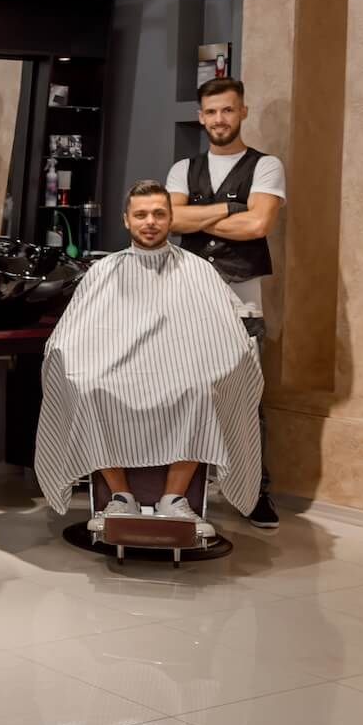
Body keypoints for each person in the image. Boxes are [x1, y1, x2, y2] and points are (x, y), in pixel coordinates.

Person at [35, 180, 263, 530]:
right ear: (127, 220)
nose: (150, 222)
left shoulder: (198, 270)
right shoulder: (104, 270)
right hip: (114, 371)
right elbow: (71, 334)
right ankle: (120, 497)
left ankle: (175, 498)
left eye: (159, 214)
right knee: (88, 387)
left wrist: (221, 360)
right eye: (141, 215)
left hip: (182, 370)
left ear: (171, 218)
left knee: (201, 391)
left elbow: (224, 332)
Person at [165, 77, 285, 528]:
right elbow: (170, 220)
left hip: (241, 302)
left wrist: (198, 218)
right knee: (184, 394)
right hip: (189, 299)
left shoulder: (266, 166)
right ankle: (179, 492)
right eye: (212, 111)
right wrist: (232, 210)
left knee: (245, 399)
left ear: (243, 112)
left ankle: (255, 493)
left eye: (228, 110)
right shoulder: (183, 168)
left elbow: (258, 226)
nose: (220, 119)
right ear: (201, 117)